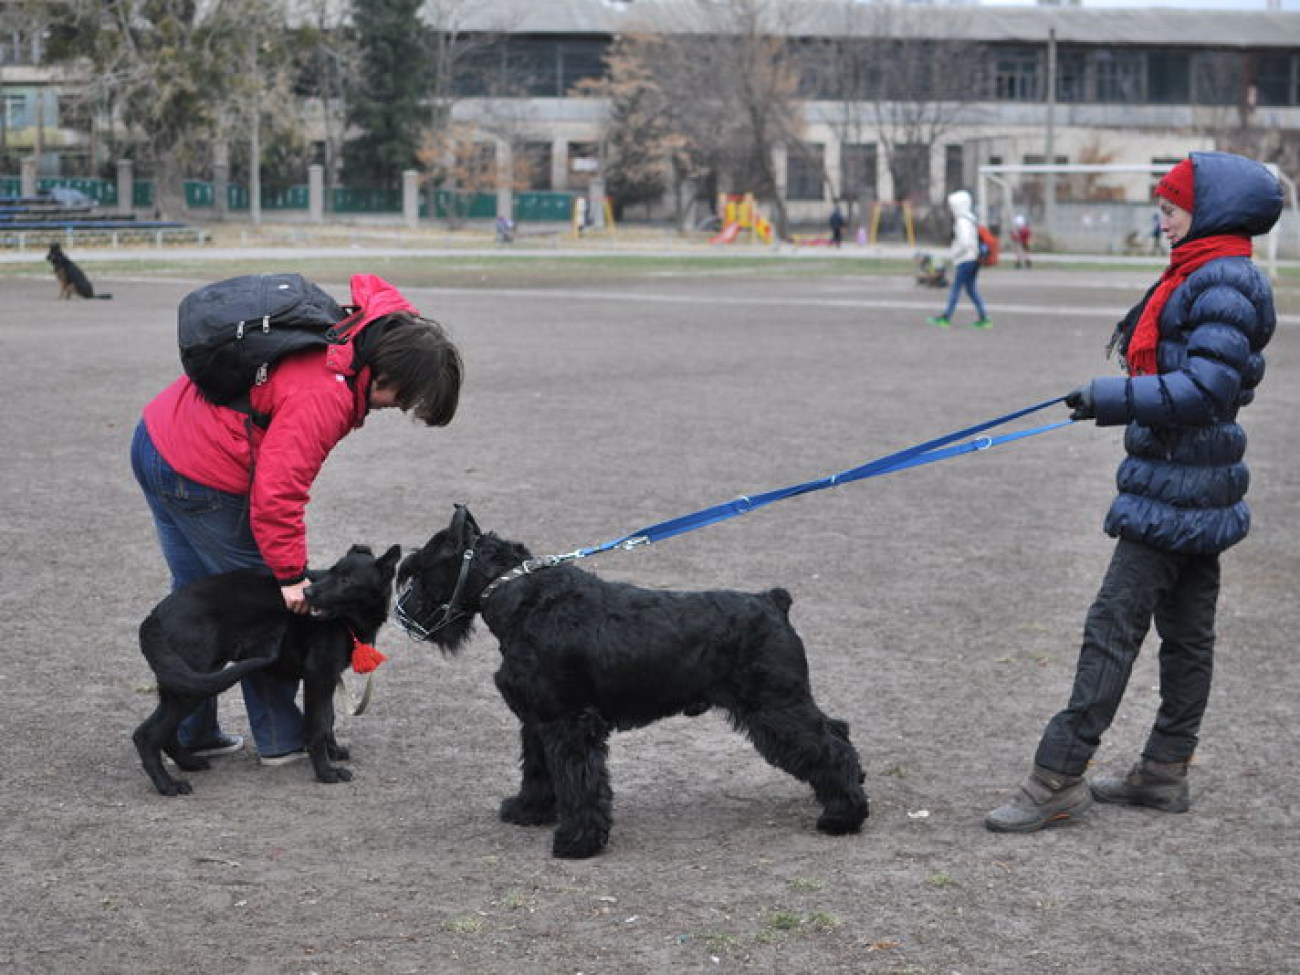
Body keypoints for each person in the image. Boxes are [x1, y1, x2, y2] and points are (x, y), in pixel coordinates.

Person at [984, 152, 1282, 834]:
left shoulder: (1221, 280)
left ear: (1210, 213)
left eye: (1173, 207)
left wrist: (1108, 396)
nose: (1162, 218)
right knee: (1186, 634)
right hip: (1189, 481)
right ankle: (1164, 770)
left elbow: (1207, 391)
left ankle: (1056, 777)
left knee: (1111, 625)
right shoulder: (1202, 273)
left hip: (1178, 489)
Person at [131, 274, 463, 764]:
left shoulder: (356, 331)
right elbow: (278, 492)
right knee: (262, 605)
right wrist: (289, 577)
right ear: (387, 374)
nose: (398, 409)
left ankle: (188, 729)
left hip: (160, 437)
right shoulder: (325, 395)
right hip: (201, 471)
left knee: (201, 596)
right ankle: (283, 739)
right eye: (403, 399)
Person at [926, 189, 992, 330]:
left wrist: (955, 254)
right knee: (970, 289)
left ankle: (946, 317)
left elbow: (965, 242)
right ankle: (984, 317)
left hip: (966, 259)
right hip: (973, 259)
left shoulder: (962, 221)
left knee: (956, 288)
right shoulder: (971, 219)